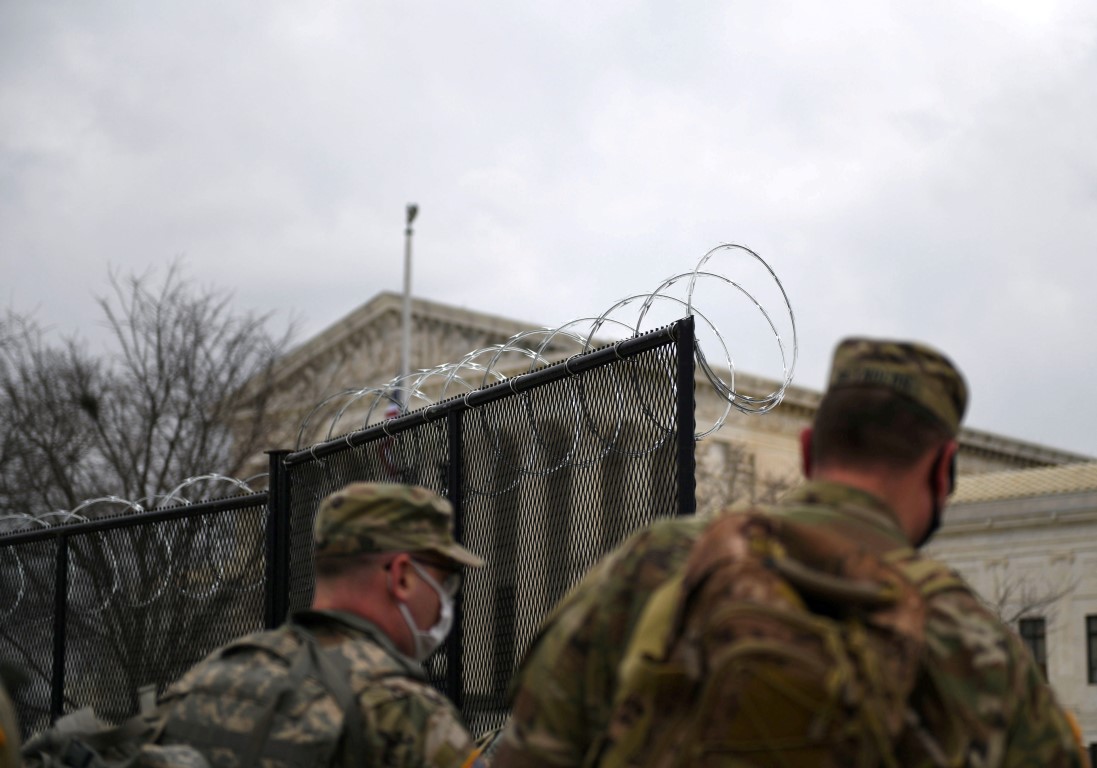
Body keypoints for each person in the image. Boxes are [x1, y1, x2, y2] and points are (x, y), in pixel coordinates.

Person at [493, 337, 1087, 768]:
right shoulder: (975, 641)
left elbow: (533, 748)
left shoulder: (653, 565)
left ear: (806, 450)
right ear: (943, 470)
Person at [153, 482, 484, 768]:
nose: (445, 599)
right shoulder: (403, 712)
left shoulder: (210, 676)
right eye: (445, 581)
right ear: (402, 576)